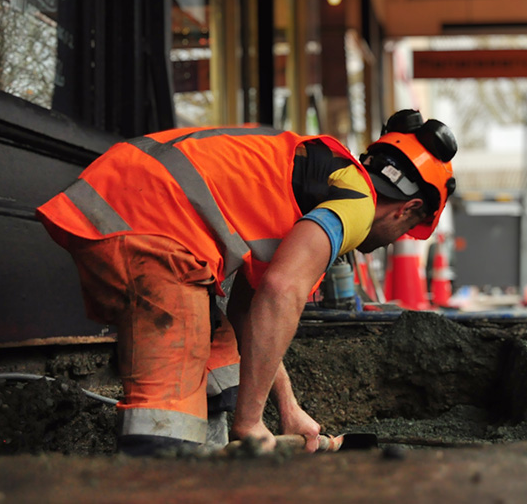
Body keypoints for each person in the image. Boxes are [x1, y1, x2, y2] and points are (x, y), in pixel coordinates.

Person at [36, 108, 456, 456]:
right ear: (408, 210)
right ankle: (164, 477)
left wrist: (288, 410)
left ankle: (218, 478)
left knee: (223, 362)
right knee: (166, 417)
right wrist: (251, 422)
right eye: (405, 233)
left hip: (127, 206)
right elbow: (282, 292)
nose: (390, 244)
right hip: (152, 225)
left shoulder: (316, 178)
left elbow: (247, 311)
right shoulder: (357, 203)